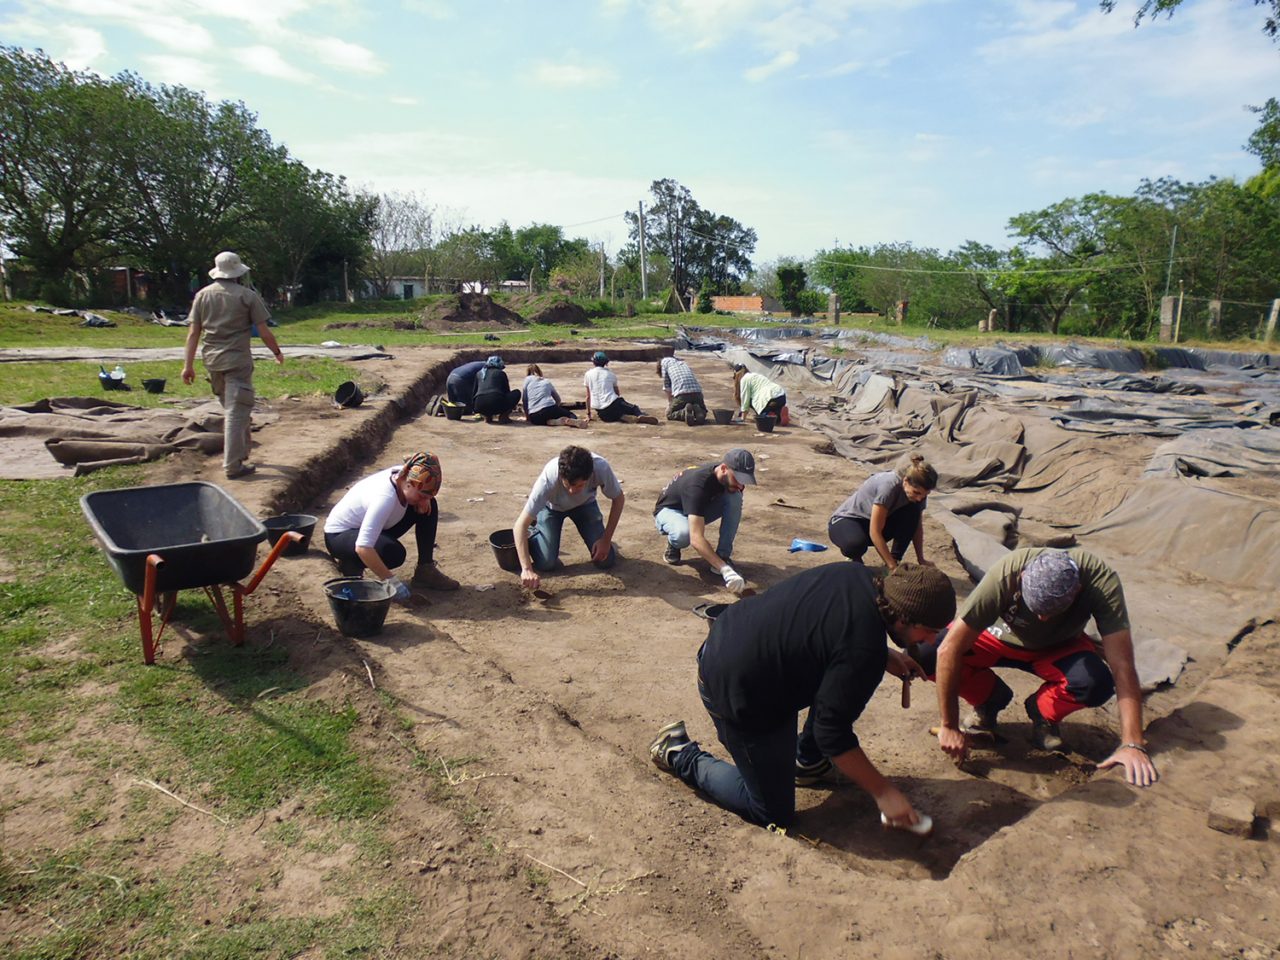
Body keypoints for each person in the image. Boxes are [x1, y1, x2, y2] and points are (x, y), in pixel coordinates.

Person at [649, 563, 956, 831]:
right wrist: (884, 793)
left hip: (740, 643)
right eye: (928, 631)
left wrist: (884, 653)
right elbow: (832, 734)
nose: (931, 641)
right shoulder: (862, 653)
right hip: (735, 687)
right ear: (902, 618)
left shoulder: (858, 575)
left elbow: (826, 629)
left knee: (838, 689)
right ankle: (679, 752)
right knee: (773, 813)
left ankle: (808, 762)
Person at [923, 547, 1158, 787]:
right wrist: (949, 726)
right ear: (1023, 577)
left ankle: (1042, 712)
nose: (1042, 619)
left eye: (1052, 611)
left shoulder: (1100, 582)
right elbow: (948, 649)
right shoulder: (1006, 574)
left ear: (1077, 590)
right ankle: (989, 699)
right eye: (1036, 609)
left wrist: (1132, 743)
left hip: (1059, 646)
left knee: (1096, 683)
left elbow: (1122, 665)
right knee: (926, 654)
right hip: (995, 637)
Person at [181, 251, 284, 479]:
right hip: (237, 361)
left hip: (213, 362)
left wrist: (187, 365)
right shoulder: (247, 296)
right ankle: (232, 466)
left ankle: (243, 451)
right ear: (238, 272)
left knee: (236, 408)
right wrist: (276, 351)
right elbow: (264, 332)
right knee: (236, 412)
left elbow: (193, 333)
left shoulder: (202, 296)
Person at [323, 451, 460, 601]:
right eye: (421, 495)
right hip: (339, 536)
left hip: (365, 527)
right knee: (393, 553)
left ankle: (425, 570)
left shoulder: (405, 475)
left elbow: (422, 492)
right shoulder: (385, 498)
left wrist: (425, 499)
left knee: (429, 507)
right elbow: (363, 547)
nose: (422, 501)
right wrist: (391, 582)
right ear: (408, 483)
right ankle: (351, 564)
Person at [513, 445, 625, 589]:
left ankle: (597, 538)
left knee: (606, 560)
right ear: (561, 475)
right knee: (546, 563)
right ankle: (534, 531)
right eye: (568, 484)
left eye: (580, 485)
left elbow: (618, 499)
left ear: (590, 475)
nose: (572, 491)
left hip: (585, 505)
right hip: (552, 508)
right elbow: (519, 525)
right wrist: (527, 569)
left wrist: (606, 540)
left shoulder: (600, 468)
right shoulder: (549, 479)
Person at [653, 449, 756, 595]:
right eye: (738, 479)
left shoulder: (724, 476)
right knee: (685, 534)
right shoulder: (697, 486)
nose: (741, 486)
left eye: (744, 482)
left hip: (695, 507)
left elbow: (732, 491)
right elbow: (696, 539)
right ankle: (674, 543)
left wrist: (721, 563)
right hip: (670, 510)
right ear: (724, 469)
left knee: (735, 497)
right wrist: (725, 570)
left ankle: (723, 556)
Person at [828, 455, 937, 569]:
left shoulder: (918, 495)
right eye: (916, 492)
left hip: (875, 524)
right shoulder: (889, 487)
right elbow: (874, 531)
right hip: (847, 521)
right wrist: (892, 567)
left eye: (925, 495)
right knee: (855, 545)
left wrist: (921, 559)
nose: (920, 498)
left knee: (913, 511)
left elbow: (916, 526)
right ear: (905, 481)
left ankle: (895, 558)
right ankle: (855, 561)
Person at [584, 351, 657, 424]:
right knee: (634, 408)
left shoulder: (588, 374)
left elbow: (588, 396)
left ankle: (622, 416)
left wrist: (588, 414)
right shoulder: (610, 374)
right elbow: (617, 393)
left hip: (601, 413)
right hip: (612, 404)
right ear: (606, 363)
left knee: (612, 413)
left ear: (593, 362)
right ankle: (639, 415)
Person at [522, 364, 586, 429]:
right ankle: (566, 420)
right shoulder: (546, 381)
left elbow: (524, 400)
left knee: (538, 420)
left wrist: (527, 416)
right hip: (550, 407)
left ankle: (551, 422)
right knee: (570, 415)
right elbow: (558, 400)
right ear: (539, 371)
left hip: (535, 415)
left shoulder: (527, 380)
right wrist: (556, 409)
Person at [657, 356, 707, 424]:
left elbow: (667, 388)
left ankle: (683, 413)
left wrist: (670, 405)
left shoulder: (664, 365)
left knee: (670, 414)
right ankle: (699, 411)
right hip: (697, 393)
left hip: (682, 394)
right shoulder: (683, 364)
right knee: (703, 410)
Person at [472, 355, 520, 423]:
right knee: (517, 393)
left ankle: (487, 417)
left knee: (487, 398)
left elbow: (474, 392)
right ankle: (503, 416)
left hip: (479, 406)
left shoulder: (479, 373)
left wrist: (474, 408)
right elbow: (506, 391)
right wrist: (510, 408)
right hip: (496, 403)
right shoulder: (500, 373)